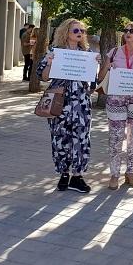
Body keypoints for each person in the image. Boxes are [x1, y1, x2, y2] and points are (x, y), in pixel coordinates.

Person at [37, 18, 101, 193]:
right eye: (75, 30)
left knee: (81, 139)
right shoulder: (55, 52)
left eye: (82, 31)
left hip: (81, 104)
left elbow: (93, 83)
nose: (80, 33)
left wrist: (96, 64)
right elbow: (43, 77)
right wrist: (50, 63)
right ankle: (64, 174)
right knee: (60, 139)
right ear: (66, 32)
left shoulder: (87, 53)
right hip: (59, 103)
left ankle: (77, 176)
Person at [99, 22, 133, 190]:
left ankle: (130, 172)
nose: (128, 33)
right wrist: (108, 67)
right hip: (116, 100)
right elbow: (100, 76)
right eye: (126, 30)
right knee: (116, 137)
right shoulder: (114, 52)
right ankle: (114, 174)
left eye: (132, 31)